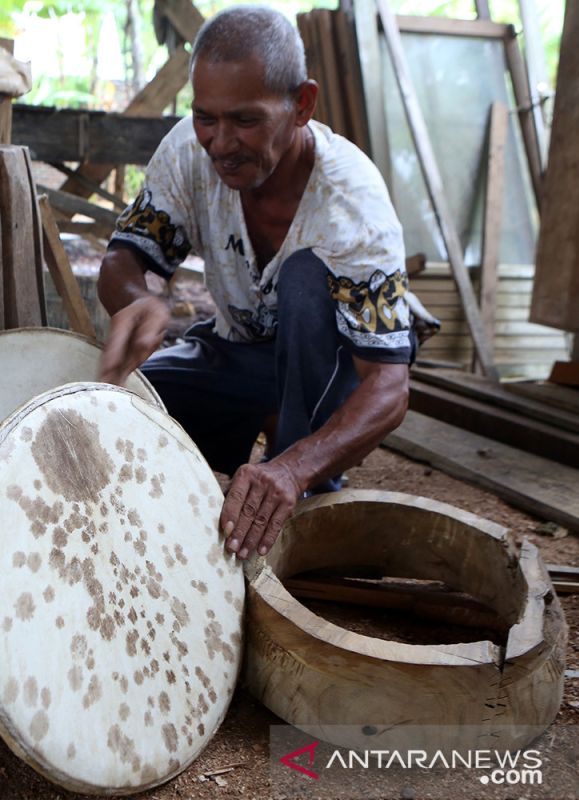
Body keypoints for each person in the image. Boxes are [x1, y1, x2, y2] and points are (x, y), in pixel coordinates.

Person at [97, 5, 413, 561]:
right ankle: (257, 449)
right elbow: (124, 258)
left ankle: (304, 477)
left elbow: (389, 387)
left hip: (325, 378)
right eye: (206, 118)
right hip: (236, 356)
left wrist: (293, 468)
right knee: (122, 408)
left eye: (245, 121)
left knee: (304, 278)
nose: (220, 143)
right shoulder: (187, 152)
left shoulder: (353, 207)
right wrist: (138, 298)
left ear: (302, 105)